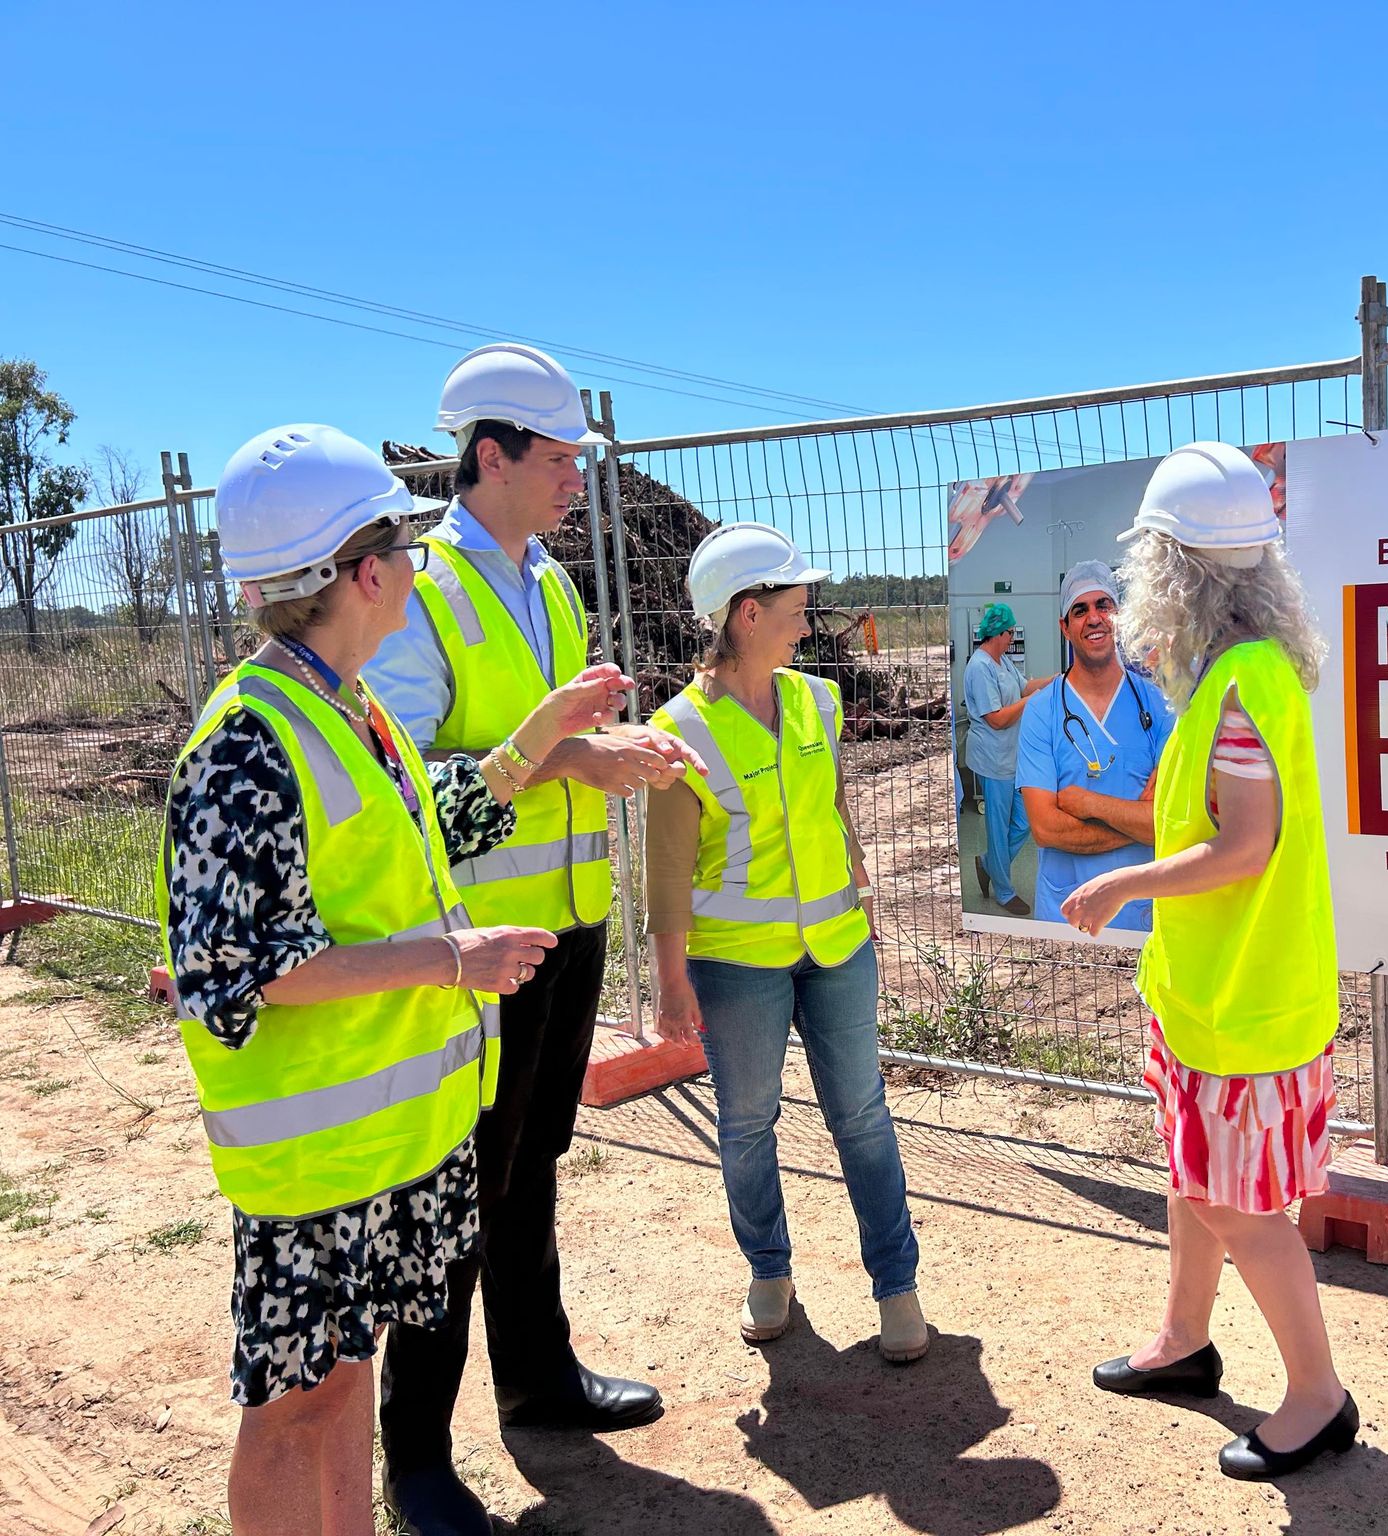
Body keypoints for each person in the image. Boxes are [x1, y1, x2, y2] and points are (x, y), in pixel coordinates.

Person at [159, 424, 640, 1536]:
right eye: (408, 553)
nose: (420, 573)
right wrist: (448, 960)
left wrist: (540, 732)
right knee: (293, 1410)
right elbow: (236, 974)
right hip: (314, 1160)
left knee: (340, 1387)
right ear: (366, 573)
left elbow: (439, 826)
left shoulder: (348, 709)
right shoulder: (244, 742)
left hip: (387, 1137)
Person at [365, 344, 693, 1535]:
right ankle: (416, 1462)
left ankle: (538, 1381)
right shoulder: (424, 590)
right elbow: (395, 773)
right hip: (477, 945)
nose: (574, 480)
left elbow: (556, 743)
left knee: (532, 1162)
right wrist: (568, 754)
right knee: (460, 1188)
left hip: (565, 924)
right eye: (557, 459)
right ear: (489, 455)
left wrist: (617, 754)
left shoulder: (549, 581)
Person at [1061, 442, 1356, 1480]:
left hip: (1242, 1002)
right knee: (1196, 1174)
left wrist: (1119, 884)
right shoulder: (1251, 671)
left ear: (1173, 569)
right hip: (1211, 991)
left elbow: (1243, 847)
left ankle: (1317, 1397)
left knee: (1237, 1203)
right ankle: (1183, 1342)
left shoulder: (1235, 686)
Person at [645, 521, 929, 1365]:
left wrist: (865, 903)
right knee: (747, 1123)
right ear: (743, 613)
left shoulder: (818, 700)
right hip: (736, 965)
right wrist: (670, 981)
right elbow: (665, 873)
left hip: (839, 950)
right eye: (794, 604)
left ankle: (897, 1286)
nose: (807, 620)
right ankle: (769, 1272)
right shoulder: (679, 732)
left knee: (864, 1117)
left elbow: (834, 813)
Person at [1017, 561, 1172, 931]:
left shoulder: (1159, 706)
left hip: (1142, 913)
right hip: (1065, 910)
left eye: (1104, 605)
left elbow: (1169, 820)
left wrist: (1088, 804)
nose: (1094, 618)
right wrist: (1137, 821)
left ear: (1119, 616)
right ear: (1065, 627)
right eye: (1080, 610)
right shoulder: (1042, 711)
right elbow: (1046, 829)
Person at [961, 601, 1050, 916]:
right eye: (1010, 631)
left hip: (1012, 758)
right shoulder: (980, 666)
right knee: (998, 827)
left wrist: (1058, 680)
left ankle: (987, 864)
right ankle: (1003, 890)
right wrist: (1033, 701)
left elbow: (1027, 687)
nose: (1012, 637)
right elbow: (997, 718)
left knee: (1024, 821)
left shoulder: (1003, 662)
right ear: (997, 631)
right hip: (993, 760)